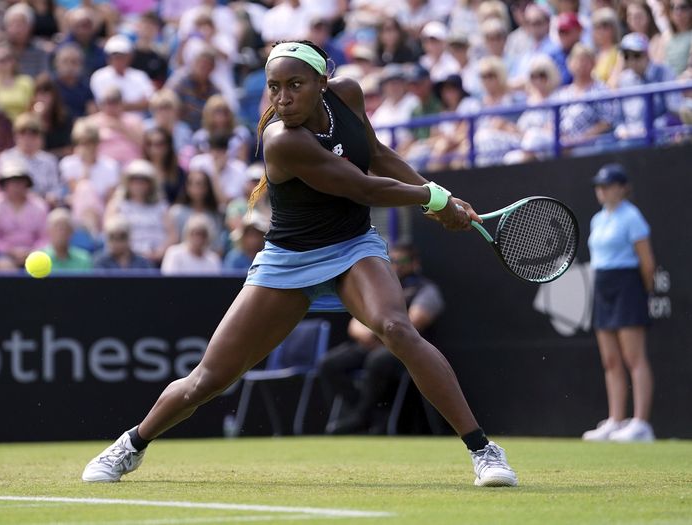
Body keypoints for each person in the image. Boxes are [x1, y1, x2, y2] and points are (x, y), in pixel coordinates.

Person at [82, 40, 518, 488]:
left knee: (396, 328)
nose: (283, 98)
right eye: (274, 87)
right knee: (207, 380)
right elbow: (362, 187)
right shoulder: (282, 141)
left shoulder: (348, 94)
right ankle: (131, 444)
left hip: (353, 247)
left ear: (322, 83)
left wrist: (439, 194)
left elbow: (378, 155)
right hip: (288, 261)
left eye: (295, 85)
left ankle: (483, 450)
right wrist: (433, 198)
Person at [320, 243, 445, 435]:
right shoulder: (381, 289)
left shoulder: (425, 289)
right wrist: (369, 334)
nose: (396, 264)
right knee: (330, 364)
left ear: (414, 263)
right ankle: (364, 415)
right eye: (392, 260)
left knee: (377, 360)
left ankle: (362, 417)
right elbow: (356, 323)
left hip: (404, 350)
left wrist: (381, 332)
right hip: (374, 343)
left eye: (402, 260)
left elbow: (416, 320)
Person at [583, 163, 656, 443]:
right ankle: (615, 420)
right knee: (611, 360)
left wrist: (642, 293)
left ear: (623, 188)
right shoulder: (597, 219)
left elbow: (647, 263)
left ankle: (640, 423)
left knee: (634, 358)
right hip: (603, 287)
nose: (601, 190)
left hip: (628, 286)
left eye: (608, 185)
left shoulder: (632, 217)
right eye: (599, 186)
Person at [0, 157, 48, 270]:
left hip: (34, 254)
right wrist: (10, 251)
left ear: (27, 184)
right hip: (1, 254)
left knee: (40, 266)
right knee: (5, 266)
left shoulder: (39, 206)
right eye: (12, 182)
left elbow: (45, 238)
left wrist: (31, 252)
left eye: (20, 182)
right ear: (4, 184)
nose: (16, 187)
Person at [42, 207, 93, 272]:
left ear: (72, 231)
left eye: (65, 227)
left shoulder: (84, 259)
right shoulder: (38, 258)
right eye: (56, 226)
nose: (61, 231)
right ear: (48, 230)